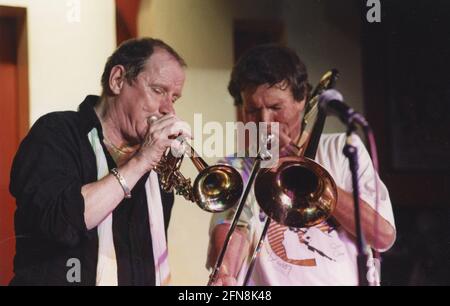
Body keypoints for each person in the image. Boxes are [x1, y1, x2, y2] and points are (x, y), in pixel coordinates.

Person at [207, 45, 396, 286]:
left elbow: (382, 236)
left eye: (276, 107)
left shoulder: (340, 149)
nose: (264, 122)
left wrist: (309, 175)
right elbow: (230, 233)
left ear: (302, 100)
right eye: (252, 110)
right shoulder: (236, 166)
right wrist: (225, 272)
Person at [9, 38, 192, 285]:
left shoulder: (157, 168)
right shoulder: (56, 133)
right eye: (158, 90)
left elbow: (144, 262)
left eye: (175, 98)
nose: (168, 109)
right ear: (118, 80)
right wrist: (140, 162)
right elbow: (60, 223)